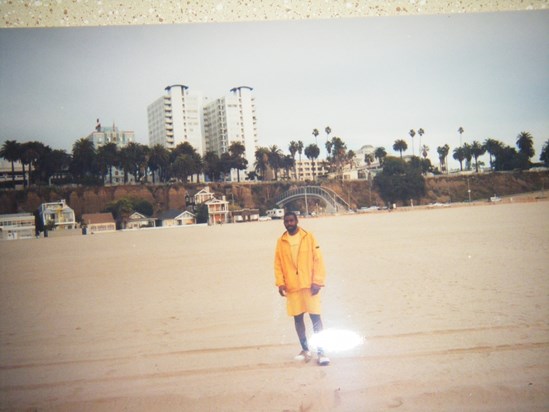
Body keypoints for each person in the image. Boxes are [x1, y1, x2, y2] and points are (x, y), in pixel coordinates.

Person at [274, 211, 330, 366]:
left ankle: (322, 352)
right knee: (298, 319)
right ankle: (305, 349)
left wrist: (318, 281)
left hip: (309, 286)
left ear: (297, 221)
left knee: (316, 318)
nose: (289, 223)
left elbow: (318, 260)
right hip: (292, 287)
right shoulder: (281, 241)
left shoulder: (308, 237)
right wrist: (280, 283)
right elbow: (278, 264)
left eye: (292, 220)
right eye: (286, 221)